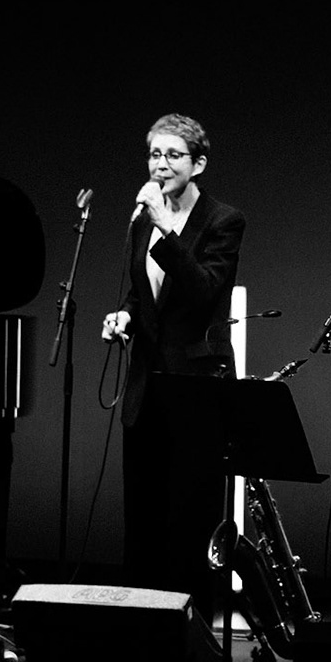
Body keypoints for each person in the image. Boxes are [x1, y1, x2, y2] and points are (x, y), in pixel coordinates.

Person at [101, 113, 243, 609]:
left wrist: (167, 229)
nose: (160, 164)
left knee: (189, 518)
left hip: (196, 385)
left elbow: (204, 292)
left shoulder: (223, 220)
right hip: (147, 385)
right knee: (143, 516)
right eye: (154, 154)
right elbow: (144, 293)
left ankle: (191, 629)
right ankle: (140, 624)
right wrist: (124, 314)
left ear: (197, 164)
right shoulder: (144, 219)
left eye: (173, 155)